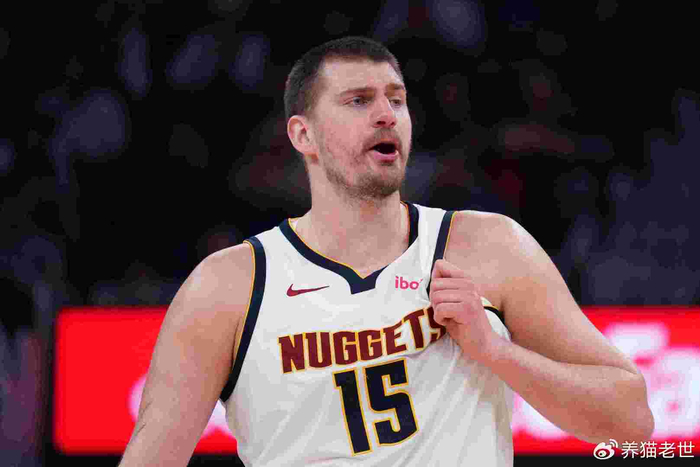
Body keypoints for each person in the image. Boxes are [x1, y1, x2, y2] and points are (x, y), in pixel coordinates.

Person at [118, 36, 653, 466]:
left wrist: (494, 350)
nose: (386, 114)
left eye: (396, 100)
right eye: (358, 101)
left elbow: (632, 422)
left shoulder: (486, 247)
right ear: (303, 135)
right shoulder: (230, 285)